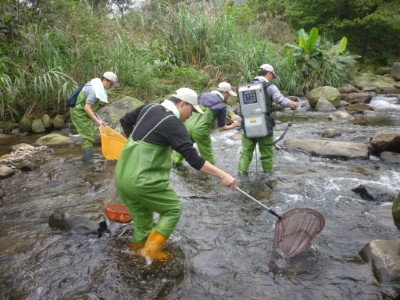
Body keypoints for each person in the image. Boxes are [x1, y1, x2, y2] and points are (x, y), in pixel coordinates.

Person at [116, 88, 237, 261]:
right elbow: (194, 160)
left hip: (122, 175)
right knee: (173, 209)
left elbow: (125, 120)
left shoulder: (149, 108)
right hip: (142, 180)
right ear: (182, 104)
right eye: (191, 111)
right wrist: (223, 175)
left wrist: (135, 143)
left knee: (143, 220)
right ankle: (149, 251)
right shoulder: (173, 124)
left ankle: (135, 254)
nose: (191, 115)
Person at [237, 64, 297, 175]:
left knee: (245, 153)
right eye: (272, 76)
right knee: (267, 154)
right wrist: (292, 104)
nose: (272, 79)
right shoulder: (270, 87)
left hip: (247, 125)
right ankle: (268, 177)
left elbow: (240, 111)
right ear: (268, 73)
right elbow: (281, 101)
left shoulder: (244, 87)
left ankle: (241, 175)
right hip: (265, 125)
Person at [171, 82, 240, 165]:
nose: (228, 97)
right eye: (228, 94)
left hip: (186, 127)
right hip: (201, 132)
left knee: (182, 150)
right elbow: (221, 128)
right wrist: (233, 125)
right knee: (207, 157)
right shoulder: (222, 106)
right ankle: (210, 175)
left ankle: (175, 166)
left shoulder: (202, 95)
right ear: (225, 93)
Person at [70, 71, 119, 163]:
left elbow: (91, 107)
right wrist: (97, 121)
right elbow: (87, 107)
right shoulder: (94, 90)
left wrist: (99, 119)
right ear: (105, 80)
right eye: (111, 84)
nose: (112, 86)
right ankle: (89, 162)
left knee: (89, 134)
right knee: (88, 137)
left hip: (83, 112)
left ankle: (87, 159)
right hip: (79, 113)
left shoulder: (97, 85)